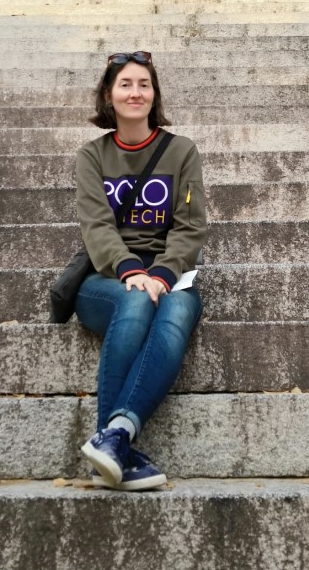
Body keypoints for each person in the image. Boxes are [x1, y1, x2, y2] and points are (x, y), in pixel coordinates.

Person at [74, 50, 205, 491]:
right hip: (106, 279)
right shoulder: (92, 156)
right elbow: (96, 225)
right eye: (125, 84)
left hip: (171, 275)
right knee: (135, 300)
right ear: (108, 96)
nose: (135, 92)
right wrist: (130, 270)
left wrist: (163, 274)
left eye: (144, 84)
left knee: (176, 312)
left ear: (154, 94)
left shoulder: (182, 151)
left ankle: (114, 437)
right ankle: (115, 449)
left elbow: (190, 226)